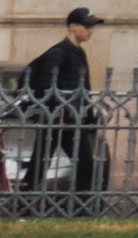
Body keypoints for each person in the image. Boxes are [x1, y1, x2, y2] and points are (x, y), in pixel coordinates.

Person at [15, 10, 101, 194]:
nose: (90, 31)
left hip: (72, 120)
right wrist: (57, 113)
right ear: (72, 27)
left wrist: (88, 116)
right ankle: (23, 201)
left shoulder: (79, 53)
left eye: (91, 26)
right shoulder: (58, 53)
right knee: (40, 163)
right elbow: (46, 88)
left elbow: (83, 89)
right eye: (86, 26)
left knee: (84, 164)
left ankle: (82, 205)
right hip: (56, 120)